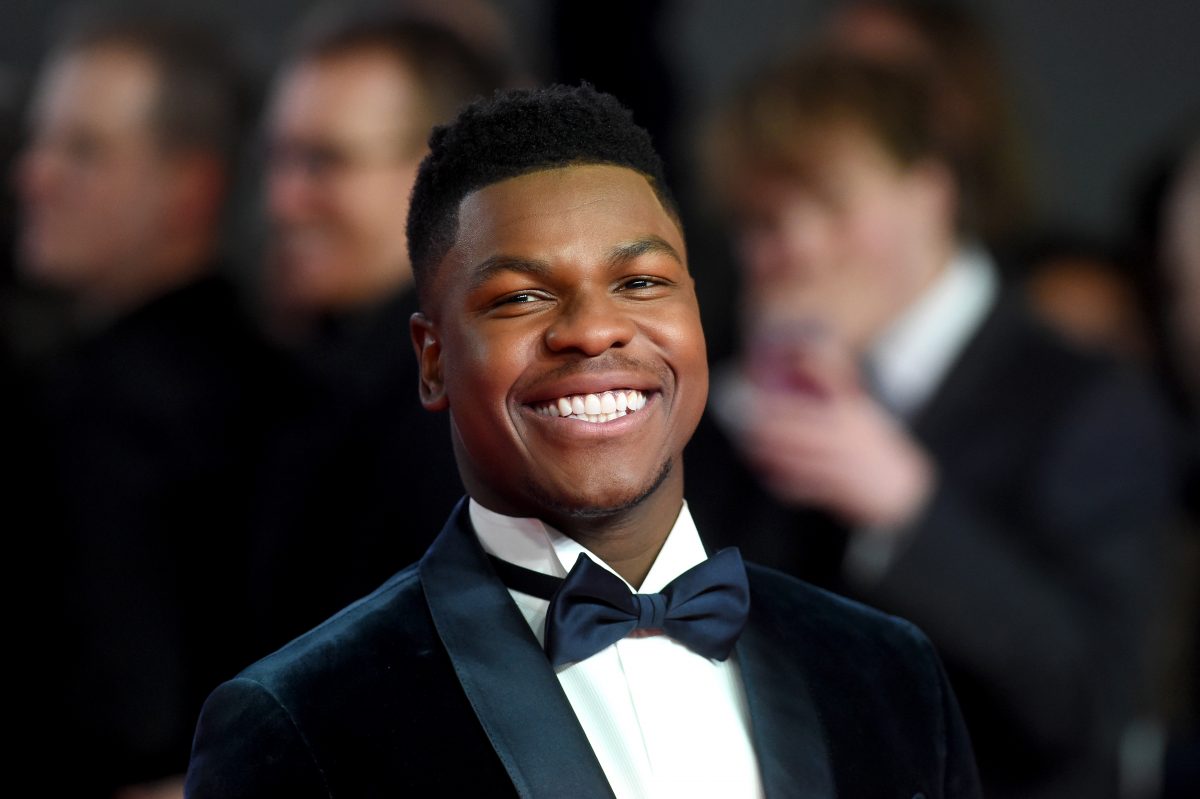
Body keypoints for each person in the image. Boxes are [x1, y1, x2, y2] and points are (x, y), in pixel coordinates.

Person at [186, 83, 981, 798]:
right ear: (433, 360)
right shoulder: (301, 722)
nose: (596, 329)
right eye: (522, 297)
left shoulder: (889, 673)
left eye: (641, 283)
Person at [687, 51, 1175, 799]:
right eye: (763, 221)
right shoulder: (736, 403)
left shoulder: (1089, 400)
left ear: (929, 193)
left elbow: (1086, 702)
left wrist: (906, 508)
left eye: (831, 204)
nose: (798, 247)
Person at [15, 8, 262, 797]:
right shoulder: (275, 371)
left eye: (83, 149)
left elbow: (126, 720)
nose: (34, 176)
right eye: (40, 141)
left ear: (189, 187)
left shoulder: (105, 412)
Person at [249, 7, 509, 654]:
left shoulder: (471, 417)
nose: (282, 201)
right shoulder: (321, 375)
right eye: (278, 159)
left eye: (324, 161)